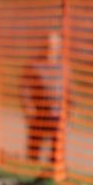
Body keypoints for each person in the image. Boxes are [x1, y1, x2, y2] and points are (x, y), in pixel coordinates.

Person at [22, 31, 65, 175]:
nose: (51, 48)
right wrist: (28, 106)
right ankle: (30, 170)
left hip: (57, 114)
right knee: (34, 147)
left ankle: (51, 172)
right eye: (49, 45)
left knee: (56, 148)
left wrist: (70, 109)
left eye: (54, 45)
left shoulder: (63, 66)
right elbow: (26, 88)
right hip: (38, 113)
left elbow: (68, 90)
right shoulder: (35, 66)